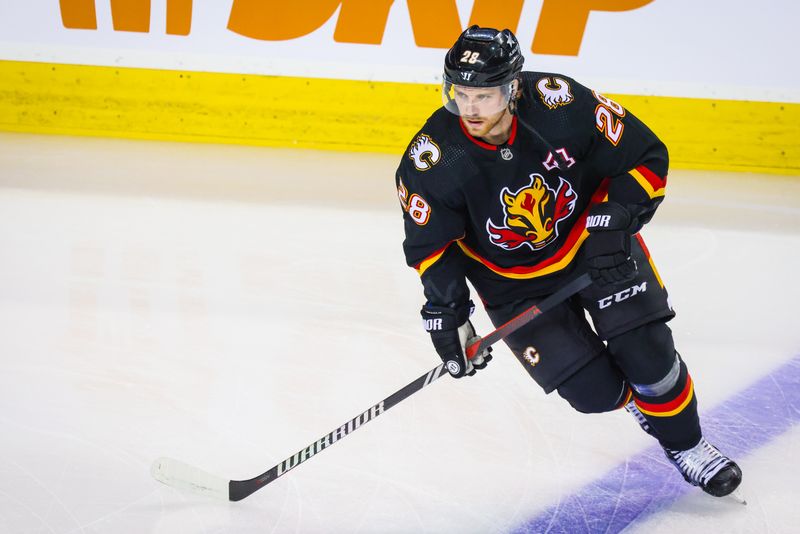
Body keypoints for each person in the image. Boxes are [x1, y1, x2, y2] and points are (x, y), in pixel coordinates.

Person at [395, 25, 742, 498]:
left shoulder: (561, 104)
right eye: (461, 94)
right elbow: (433, 249)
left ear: (513, 88)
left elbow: (644, 158)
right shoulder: (433, 158)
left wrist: (616, 221)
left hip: (594, 251)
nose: (470, 109)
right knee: (594, 394)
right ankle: (639, 404)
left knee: (650, 361)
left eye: (484, 96)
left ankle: (689, 445)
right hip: (513, 285)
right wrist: (447, 314)